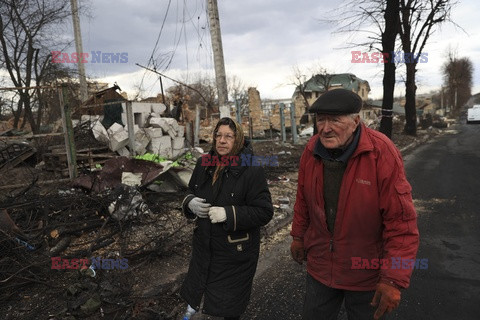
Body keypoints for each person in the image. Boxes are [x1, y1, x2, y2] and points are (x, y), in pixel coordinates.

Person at [290, 89, 419, 320]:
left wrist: (392, 279)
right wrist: (298, 236)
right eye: (321, 119)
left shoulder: (381, 152)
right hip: (321, 268)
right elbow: (303, 199)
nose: (325, 128)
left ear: (355, 121)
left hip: (365, 274)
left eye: (335, 120)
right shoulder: (311, 151)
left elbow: (401, 221)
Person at [180, 117, 274, 320]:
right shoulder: (204, 163)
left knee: (230, 306)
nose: (222, 141)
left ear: (238, 140)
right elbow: (190, 190)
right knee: (202, 293)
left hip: (235, 253)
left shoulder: (251, 168)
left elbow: (264, 211)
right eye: (218, 135)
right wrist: (190, 203)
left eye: (228, 136)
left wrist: (229, 213)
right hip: (205, 246)